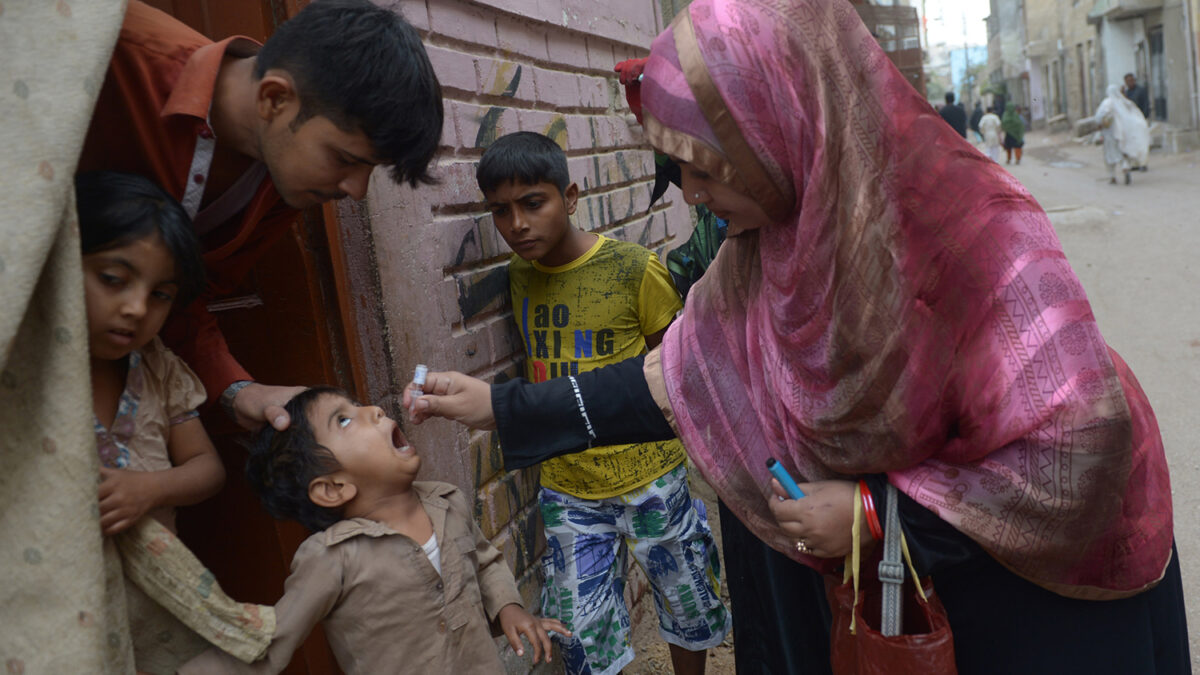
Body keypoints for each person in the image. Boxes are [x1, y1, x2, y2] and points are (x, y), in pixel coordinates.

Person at [405, 1, 1190, 673]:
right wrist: (501, 407)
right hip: (903, 594)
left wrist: (876, 514)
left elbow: (1082, 443)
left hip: (1038, 596)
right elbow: (677, 380)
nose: (700, 201)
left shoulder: (978, 235)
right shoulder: (768, 250)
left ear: (783, 127)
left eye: (710, 169)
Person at [78, 0, 443, 431]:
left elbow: (188, 297)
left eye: (370, 169)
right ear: (274, 98)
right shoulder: (108, 43)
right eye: (345, 158)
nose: (355, 189)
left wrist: (238, 391)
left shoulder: (286, 183)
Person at [476, 131, 730, 675]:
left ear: (569, 197)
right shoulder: (519, 276)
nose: (517, 224)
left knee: (687, 603)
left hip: (652, 477)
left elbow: (676, 369)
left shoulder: (634, 270)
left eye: (533, 203)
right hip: (568, 488)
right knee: (583, 636)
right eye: (500, 211)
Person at [179, 387, 568, 673]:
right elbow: (275, 639)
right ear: (334, 488)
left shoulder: (447, 502)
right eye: (344, 419)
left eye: (358, 405)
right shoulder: (333, 557)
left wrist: (510, 609)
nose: (375, 410)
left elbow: (484, 562)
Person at [78, 170, 229, 669]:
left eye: (161, 294)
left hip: (156, 613)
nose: (136, 308)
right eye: (112, 280)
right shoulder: (32, 372)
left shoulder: (159, 368)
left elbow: (207, 467)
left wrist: (150, 489)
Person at [1096, 84, 1151, 185]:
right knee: (1123, 151)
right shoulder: (1123, 102)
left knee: (1110, 154)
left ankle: (1112, 176)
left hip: (1110, 134)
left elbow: (1100, 116)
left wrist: (1100, 125)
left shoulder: (1107, 103)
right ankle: (1125, 168)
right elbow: (1134, 113)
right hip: (1123, 133)